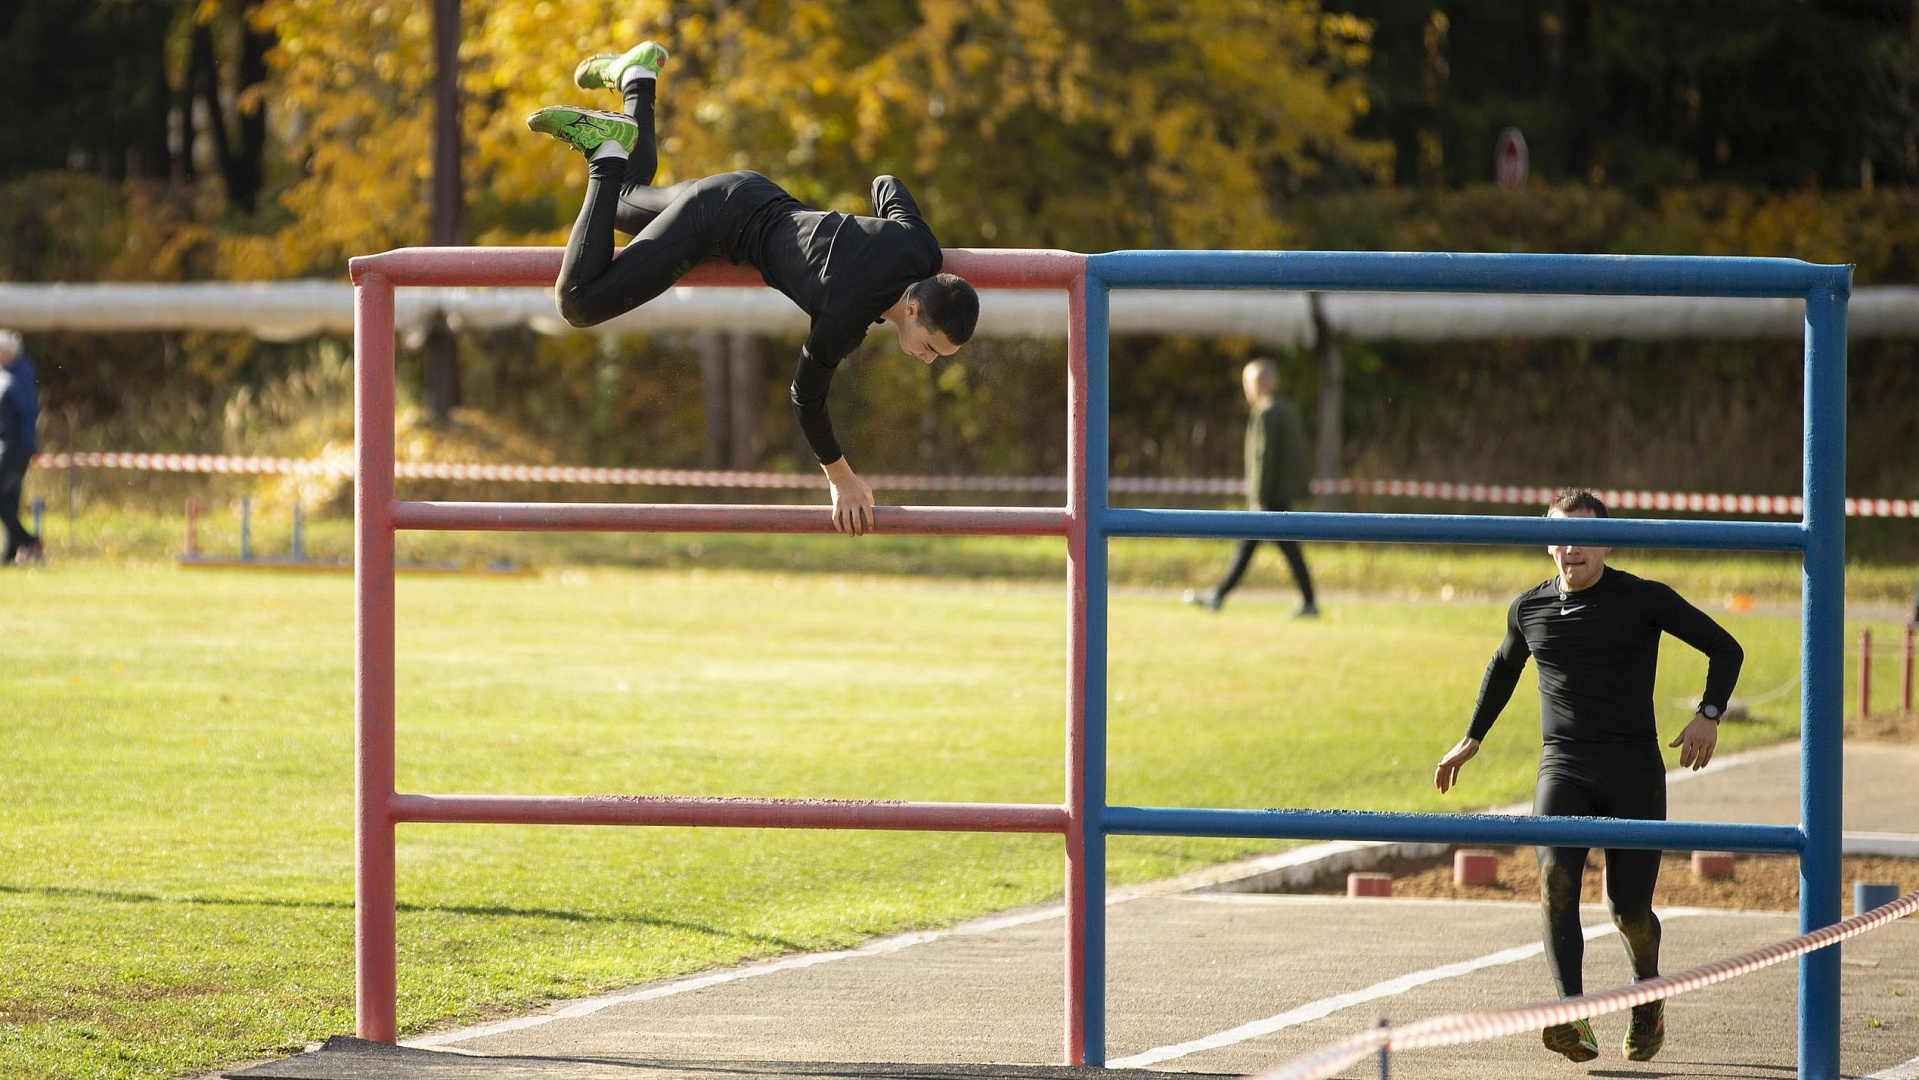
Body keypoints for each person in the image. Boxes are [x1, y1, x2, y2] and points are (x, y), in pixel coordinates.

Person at [526, 41, 979, 537]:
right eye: (932, 347)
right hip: (717, 222)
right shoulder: (845, 314)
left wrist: (861, 236)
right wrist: (842, 480)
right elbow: (806, 399)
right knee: (577, 302)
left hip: (749, 193)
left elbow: (885, 183)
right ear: (912, 308)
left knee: (619, 202)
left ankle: (637, 79)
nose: (929, 359)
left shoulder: (922, 250)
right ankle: (604, 151)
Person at [1432, 488, 1742, 1064]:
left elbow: (1725, 648)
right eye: (1560, 536)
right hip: (1564, 766)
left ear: (1605, 540)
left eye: (1584, 535)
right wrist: (1471, 739)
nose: (1572, 547)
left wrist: (1709, 714)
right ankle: (1570, 1014)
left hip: (1632, 767)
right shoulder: (1529, 608)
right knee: (1554, 881)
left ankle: (1647, 995)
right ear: (1545, 543)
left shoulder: (1642, 598)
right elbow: (1502, 668)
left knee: (1628, 910)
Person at [1184, 358, 1317, 616]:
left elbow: (1263, 458)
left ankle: (1218, 596)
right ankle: (1221, 595)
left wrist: (1259, 498)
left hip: (1269, 496)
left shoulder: (1265, 411)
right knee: (1274, 548)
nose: (1247, 389)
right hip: (1280, 494)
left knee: (1253, 546)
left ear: (1260, 384)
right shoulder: (1287, 408)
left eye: (1248, 383)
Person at [0, 329, 42, 566]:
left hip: (15, 449)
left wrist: (28, 447)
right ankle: (9, 554)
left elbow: (27, 414)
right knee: (10, 500)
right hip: (6, 447)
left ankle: (29, 541)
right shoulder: (5, 373)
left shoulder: (19, 377)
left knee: (3, 498)